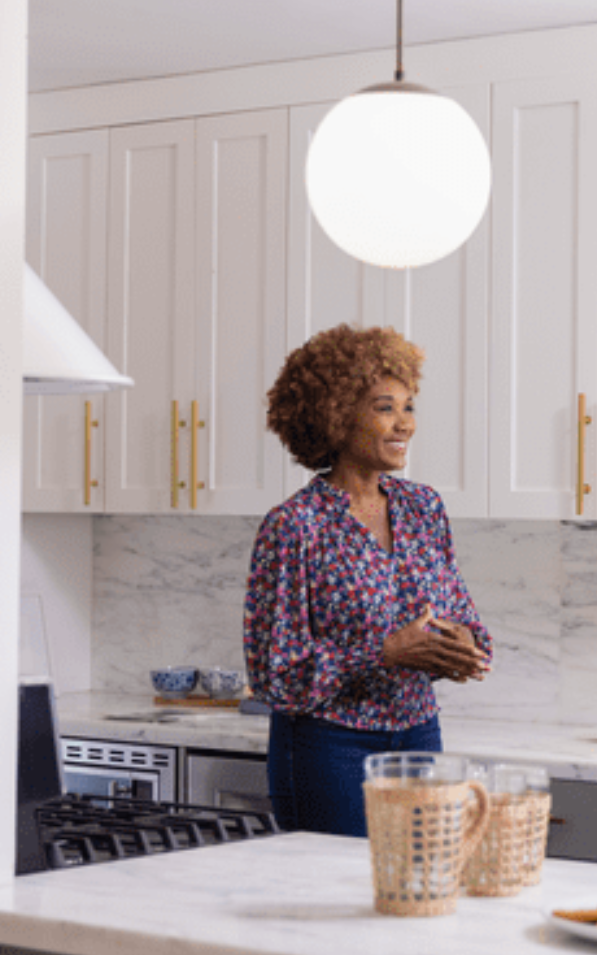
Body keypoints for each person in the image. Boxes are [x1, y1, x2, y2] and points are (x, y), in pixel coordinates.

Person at [243, 324, 491, 837]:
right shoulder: (295, 526)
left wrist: (464, 644)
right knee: (338, 897)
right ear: (334, 417)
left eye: (409, 407)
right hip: (329, 748)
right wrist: (382, 652)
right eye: (385, 408)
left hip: (420, 736)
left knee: (419, 888)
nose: (405, 424)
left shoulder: (424, 509)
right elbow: (276, 679)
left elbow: (462, 619)